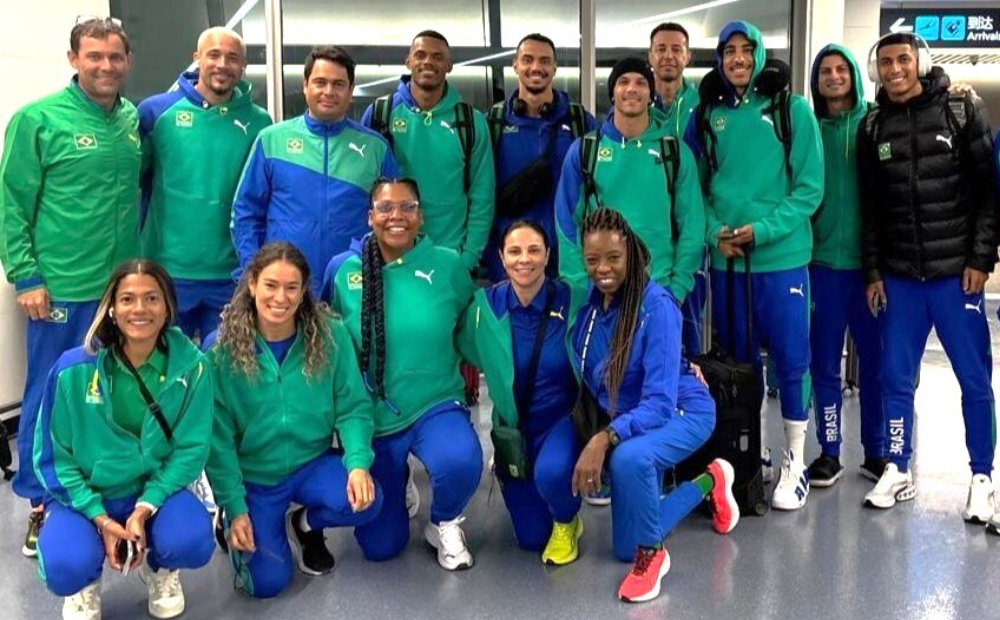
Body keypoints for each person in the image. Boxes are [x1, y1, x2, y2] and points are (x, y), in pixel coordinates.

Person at [0, 15, 141, 557]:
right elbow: (12, 204)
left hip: (121, 291)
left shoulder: (130, 120)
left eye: (114, 56)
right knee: (49, 395)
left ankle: (105, 491)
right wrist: (27, 275)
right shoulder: (37, 119)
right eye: (94, 56)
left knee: (110, 392)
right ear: (74, 59)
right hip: (61, 289)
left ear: (127, 61)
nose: (105, 66)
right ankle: (40, 503)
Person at [857, 33, 999, 519]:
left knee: (974, 378)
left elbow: (988, 195)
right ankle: (898, 467)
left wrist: (980, 259)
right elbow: (871, 210)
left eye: (903, 59)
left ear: (920, 63)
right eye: (886, 62)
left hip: (955, 277)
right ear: (876, 70)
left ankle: (982, 477)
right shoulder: (873, 125)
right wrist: (873, 271)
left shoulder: (961, 111)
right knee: (895, 377)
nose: (895, 69)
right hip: (900, 278)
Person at [685, 21, 824, 510]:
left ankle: (795, 460)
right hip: (729, 266)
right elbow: (695, 189)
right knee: (740, 366)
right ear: (720, 59)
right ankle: (751, 453)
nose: (739, 59)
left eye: (747, 49)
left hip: (782, 262)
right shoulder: (707, 115)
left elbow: (809, 188)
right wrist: (714, 234)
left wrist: (762, 231)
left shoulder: (792, 110)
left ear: (761, 54)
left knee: (792, 360)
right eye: (730, 51)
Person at [570, 207, 738, 603]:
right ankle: (712, 480)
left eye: (613, 257)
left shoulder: (657, 306)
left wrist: (604, 438)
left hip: (682, 411)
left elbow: (660, 403)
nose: (602, 269)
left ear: (630, 252)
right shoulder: (592, 307)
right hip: (636, 420)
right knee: (621, 548)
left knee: (628, 458)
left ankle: (653, 556)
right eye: (592, 260)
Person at [33, 260, 214, 620]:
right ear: (112, 308)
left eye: (152, 298)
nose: (140, 309)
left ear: (168, 308)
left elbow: (191, 449)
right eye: (128, 299)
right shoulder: (72, 369)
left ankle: (160, 569)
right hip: (84, 494)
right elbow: (52, 458)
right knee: (65, 564)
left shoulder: (193, 367)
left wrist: (145, 507)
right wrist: (100, 517)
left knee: (192, 540)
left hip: (152, 489)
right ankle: (85, 581)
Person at [204, 242, 381, 598]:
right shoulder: (219, 350)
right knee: (266, 584)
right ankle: (229, 520)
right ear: (252, 284)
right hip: (255, 478)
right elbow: (217, 440)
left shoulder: (330, 335)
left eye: (291, 287)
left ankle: (305, 523)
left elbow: (353, 407)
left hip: (311, 462)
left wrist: (358, 463)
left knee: (367, 500)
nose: (280, 298)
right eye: (271, 285)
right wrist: (235, 505)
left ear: (303, 292)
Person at [322, 177, 482, 570]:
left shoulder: (447, 265)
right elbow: (325, 337)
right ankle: (397, 478)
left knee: (460, 460)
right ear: (370, 216)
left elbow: (475, 326)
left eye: (407, 207)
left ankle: (444, 522)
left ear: (421, 216)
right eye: (386, 207)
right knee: (381, 546)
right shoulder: (343, 270)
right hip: (374, 415)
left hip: (435, 402)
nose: (397, 216)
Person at [457, 221, 582, 564]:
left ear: (548, 255)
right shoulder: (484, 307)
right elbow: (463, 348)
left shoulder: (572, 298)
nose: (524, 259)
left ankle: (567, 521)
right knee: (530, 539)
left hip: (561, 420)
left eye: (533, 250)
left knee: (552, 474)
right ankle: (532, 490)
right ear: (501, 257)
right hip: (514, 429)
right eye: (514, 251)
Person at [138, 27, 271, 339]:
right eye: (214, 55)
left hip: (231, 274)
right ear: (197, 58)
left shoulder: (260, 122)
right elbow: (131, 181)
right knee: (166, 361)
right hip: (166, 271)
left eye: (232, 58)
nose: (222, 64)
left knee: (226, 363)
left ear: (243, 66)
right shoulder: (155, 113)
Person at [555, 56, 705, 333]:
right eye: (623, 82)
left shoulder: (675, 153)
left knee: (658, 362)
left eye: (640, 82)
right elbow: (566, 223)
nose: (632, 88)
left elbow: (692, 227)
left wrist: (676, 290)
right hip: (601, 294)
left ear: (651, 94)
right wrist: (581, 287)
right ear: (612, 92)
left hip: (658, 290)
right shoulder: (585, 151)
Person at [232, 45, 398, 293]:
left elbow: (394, 217)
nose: (328, 91)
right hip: (285, 289)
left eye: (338, 84)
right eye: (320, 82)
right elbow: (246, 213)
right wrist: (254, 271)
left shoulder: (376, 148)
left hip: (352, 286)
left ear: (351, 90)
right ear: (305, 85)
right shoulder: (271, 141)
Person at [805, 45, 887, 487]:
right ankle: (829, 451)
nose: (834, 76)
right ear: (816, 81)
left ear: (855, 75)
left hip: (872, 269)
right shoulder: (810, 128)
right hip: (822, 266)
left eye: (841, 69)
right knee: (824, 364)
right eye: (825, 71)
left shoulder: (876, 121)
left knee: (876, 363)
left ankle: (877, 451)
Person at [361, 30, 495, 272]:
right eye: (420, 55)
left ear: (449, 65)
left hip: (450, 261)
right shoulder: (380, 114)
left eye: (437, 57)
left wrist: (467, 259)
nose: (428, 62)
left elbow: (482, 196)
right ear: (408, 61)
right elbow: (363, 188)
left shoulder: (470, 122)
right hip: (389, 260)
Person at [482, 33, 596, 282]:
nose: (536, 67)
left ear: (554, 68)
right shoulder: (493, 124)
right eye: (528, 59)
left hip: (568, 263)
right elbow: (480, 195)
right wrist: (493, 260)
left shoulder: (580, 122)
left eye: (545, 61)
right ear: (515, 65)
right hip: (510, 264)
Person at [648, 22, 708, 357]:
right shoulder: (637, 105)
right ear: (650, 56)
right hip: (651, 238)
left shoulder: (704, 108)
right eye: (661, 49)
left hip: (691, 236)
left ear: (688, 56)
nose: (668, 56)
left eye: (676, 49)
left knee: (688, 331)